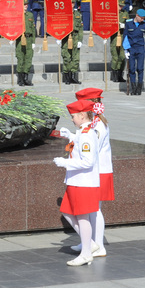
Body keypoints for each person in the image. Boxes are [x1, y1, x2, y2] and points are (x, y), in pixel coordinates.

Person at [62, 89, 113, 257]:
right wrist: (71, 136)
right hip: (97, 169)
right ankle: (89, 242)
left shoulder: (97, 124)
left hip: (99, 171)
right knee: (91, 210)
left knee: (94, 210)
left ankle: (97, 244)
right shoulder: (96, 121)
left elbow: (91, 150)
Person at [53, 99, 100, 266]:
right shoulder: (83, 132)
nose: (72, 119)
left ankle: (86, 252)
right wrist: (70, 136)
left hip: (84, 182)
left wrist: (65, 163)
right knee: (67, 211)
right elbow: (79, 143)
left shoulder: (87, 134)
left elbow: (88, 161)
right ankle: (89, 244)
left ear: (82, 115)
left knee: (82, 217)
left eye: (73, 116)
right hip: (77, 181)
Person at [123, 9, 145, 95]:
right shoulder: (128, 23)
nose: (142, 20)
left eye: (143, 18)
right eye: (141, 18)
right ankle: (133, 88)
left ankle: (139, 88)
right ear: (137, 15)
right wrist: (125, 49)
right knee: (131, 69)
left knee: (140, 68)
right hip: (131, 48)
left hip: (140, 48)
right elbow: (125, 36)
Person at [61, 0, 83, 85]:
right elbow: (58, 26)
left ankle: (73, 76)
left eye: (73, 3)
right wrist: (58, 37)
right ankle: (67, 77)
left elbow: (81, 28)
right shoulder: (63, 14)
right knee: (66, 57)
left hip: (75, 36)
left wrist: (80, 40)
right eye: (70, 3)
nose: (72, 4)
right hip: (66, 37)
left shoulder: (78, 14)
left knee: (75, 58)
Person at [15, 0, 35, 86]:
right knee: (20, 58)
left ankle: (26, 78)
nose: (26, 6)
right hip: (20, 39)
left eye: (26, 5)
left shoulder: (30, 15)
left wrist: (33, 41)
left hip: (29, 39)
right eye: (24, 5)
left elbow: (33, 29)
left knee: (28, 58)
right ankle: (20, 79)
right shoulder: (17, 15)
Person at [111, 0, 127, 83]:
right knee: (115, 57)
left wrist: (124, 25)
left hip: (123, 36)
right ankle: (114, 75)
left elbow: (128, 23)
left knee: (122, 56)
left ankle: (120, 75)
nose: (121, 7)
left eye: (122, 6)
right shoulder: (112, 13)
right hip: (114, 37)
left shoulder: (125, 13)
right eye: (119, 5)